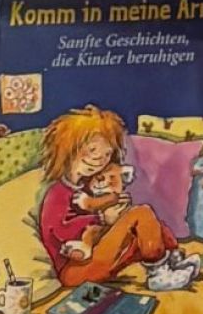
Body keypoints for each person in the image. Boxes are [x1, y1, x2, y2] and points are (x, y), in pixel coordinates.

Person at [36, 107, 181, 288]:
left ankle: (173, 258)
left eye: (107, 154)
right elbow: (61, 231)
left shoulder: (89, 185)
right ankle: (159, 272)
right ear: (69, 150)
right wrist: (103, 219)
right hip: (75, 269)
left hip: (100, 257)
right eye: (92, 150)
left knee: (148, 227)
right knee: (141, 213)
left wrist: (116, 219)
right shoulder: (58, 193)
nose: (100, 159)